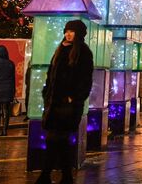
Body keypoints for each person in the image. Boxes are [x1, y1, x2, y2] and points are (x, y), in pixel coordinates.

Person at [36, 20, 94, 184]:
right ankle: (65, 176)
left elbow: (85, 79)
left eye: (72, 31)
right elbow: (50, 75)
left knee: (55, 139)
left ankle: (45, 175)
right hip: (54, 104)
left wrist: (74, 98)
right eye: (66, 31)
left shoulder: (82, 52)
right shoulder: (60, 50)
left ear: (79, 34)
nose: (68, 34)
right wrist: (47, 94)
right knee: (58, 141)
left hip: (68, 106)